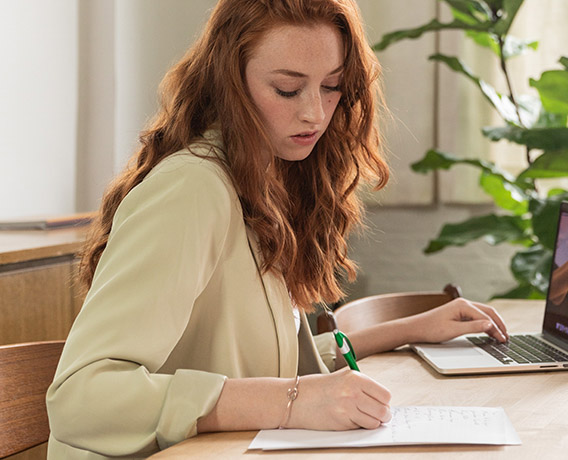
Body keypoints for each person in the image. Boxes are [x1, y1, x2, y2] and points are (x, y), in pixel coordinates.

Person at [46, 0, 508, 458]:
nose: (315, 113)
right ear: (230, 84)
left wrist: (409, 330)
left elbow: (270, 367)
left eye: (332, 87)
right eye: (288, 90)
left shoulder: (265, 181)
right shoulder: (191, 191)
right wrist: (292, 402)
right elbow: (80, 401)